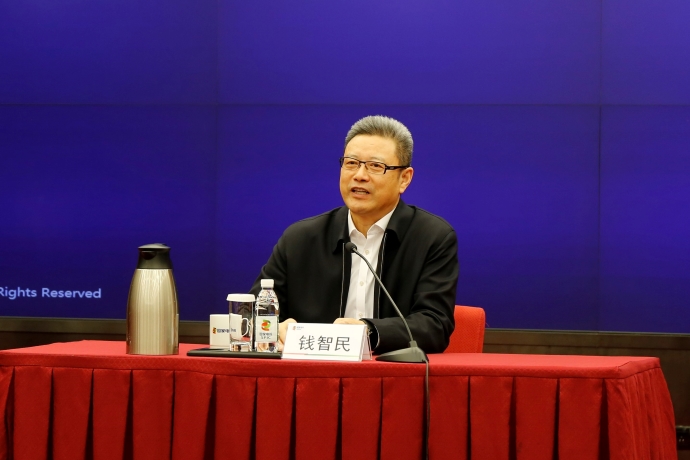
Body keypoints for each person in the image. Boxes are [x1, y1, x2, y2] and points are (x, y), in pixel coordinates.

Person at [250, 115, 459, 354]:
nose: (360, 175)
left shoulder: (432, 237)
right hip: (313, 370)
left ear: (404, 179)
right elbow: (255, 313)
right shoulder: (300, 239)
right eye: (351, 163)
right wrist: (275, 328)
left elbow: (434, 325)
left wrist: (369, 331)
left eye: (375, 166)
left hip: (389, 372)